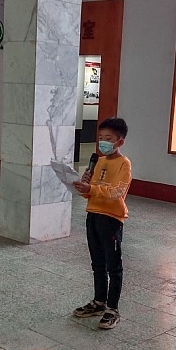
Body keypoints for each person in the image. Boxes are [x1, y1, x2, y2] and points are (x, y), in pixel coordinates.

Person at [72, 117, 132, 329]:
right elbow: (90, 194)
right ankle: (99, 302)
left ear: (120, 141)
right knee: (97, 262)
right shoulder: (98, 161)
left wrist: (92, 189)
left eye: (108, 138)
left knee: (113, 266)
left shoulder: (123, 164)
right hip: (93, 215)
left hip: (111, 219)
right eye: (100, 138)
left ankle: (112, 309)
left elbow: (117, 192)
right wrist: (84, 186)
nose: (103, 142)